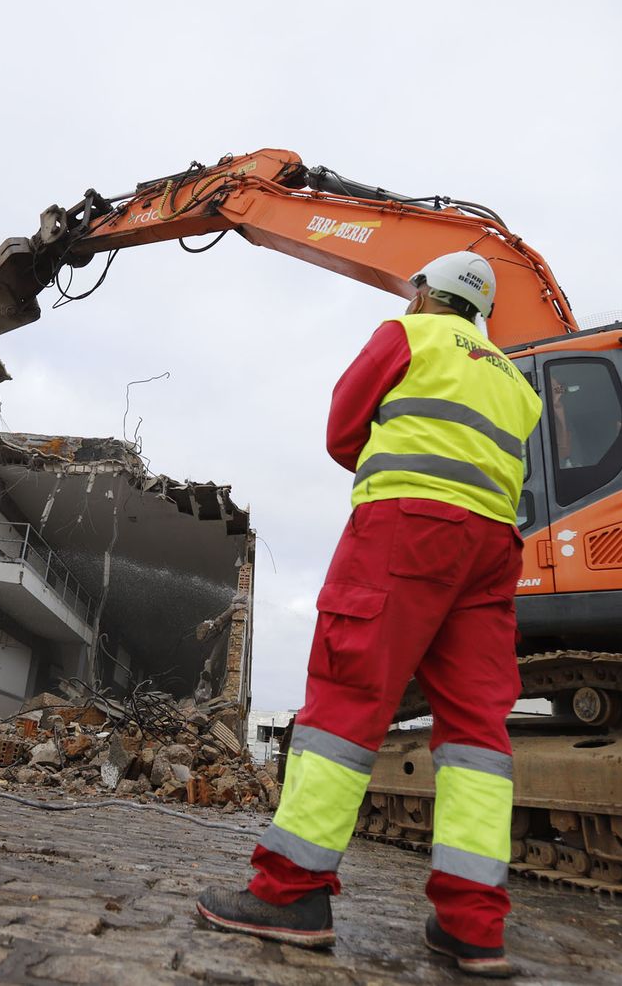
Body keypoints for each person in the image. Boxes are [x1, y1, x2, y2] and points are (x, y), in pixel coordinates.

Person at [196, 251, 542, 978]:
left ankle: (290, 893)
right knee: (478, 731)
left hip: (407, 529)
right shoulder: (515, 379)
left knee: (347, 701)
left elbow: (342, 431)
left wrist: (389, 463)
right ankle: (472, 925)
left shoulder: (405, 335)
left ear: (424, 293)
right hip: (491, 552)